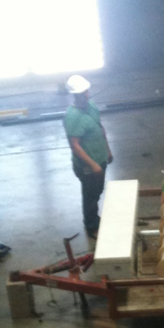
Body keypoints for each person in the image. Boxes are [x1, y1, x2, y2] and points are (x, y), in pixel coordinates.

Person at [63, 75, 113, 239]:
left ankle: (95, 218)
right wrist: (93, 165)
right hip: (88, 166)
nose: (86, 95)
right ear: (74, 95)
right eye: (81, 93)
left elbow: (100, 128)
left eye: (86, 91)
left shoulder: (91, 106)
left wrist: (108, 150)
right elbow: (75, 146)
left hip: (100, 159)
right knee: (90, 195)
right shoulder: (72, 116)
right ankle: (91, 226)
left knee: (97, 191)